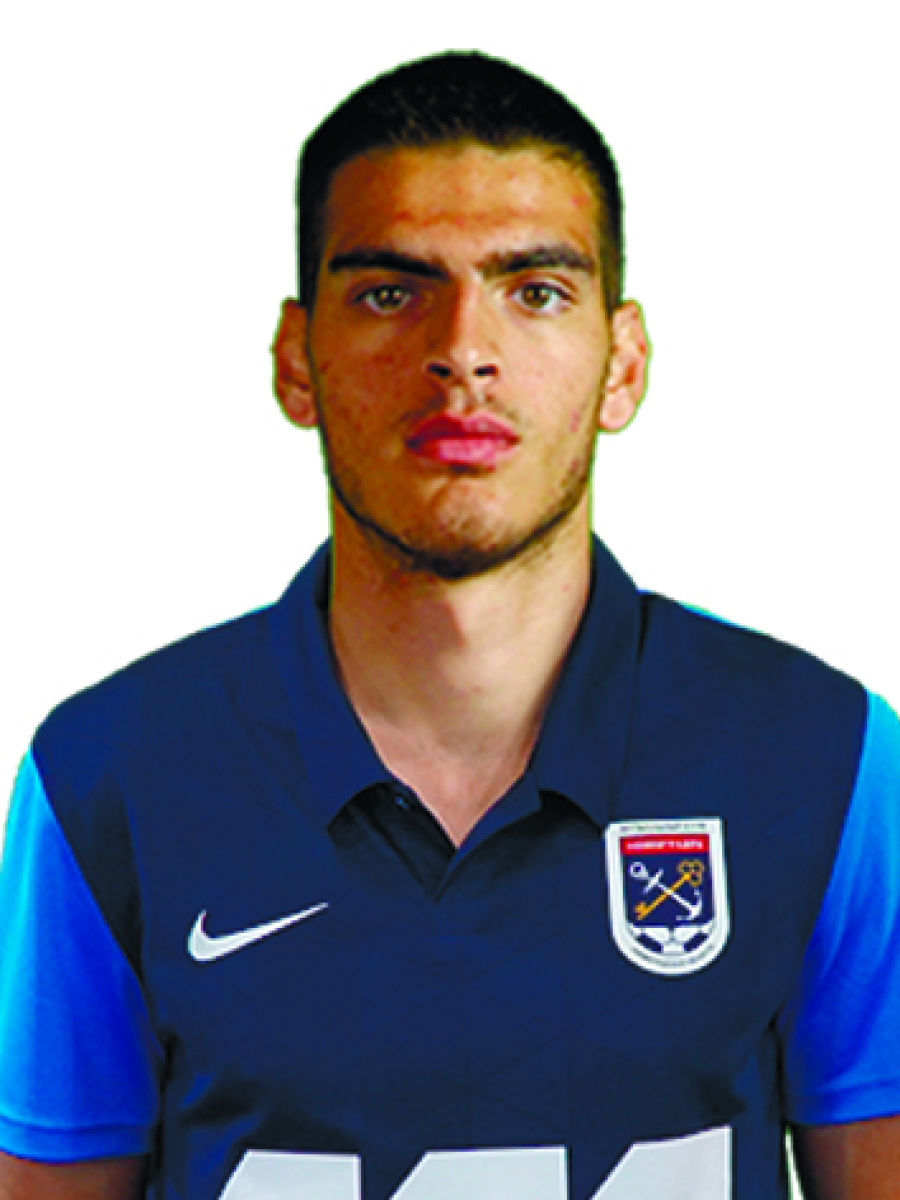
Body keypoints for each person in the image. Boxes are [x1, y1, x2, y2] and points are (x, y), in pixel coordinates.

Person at [0, 50, 898, 1200]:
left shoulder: (822, 757)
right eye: (391, 291)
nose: (463, 351)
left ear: (623, 364)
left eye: (537, 290)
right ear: (296, 361)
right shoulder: (110, 775)